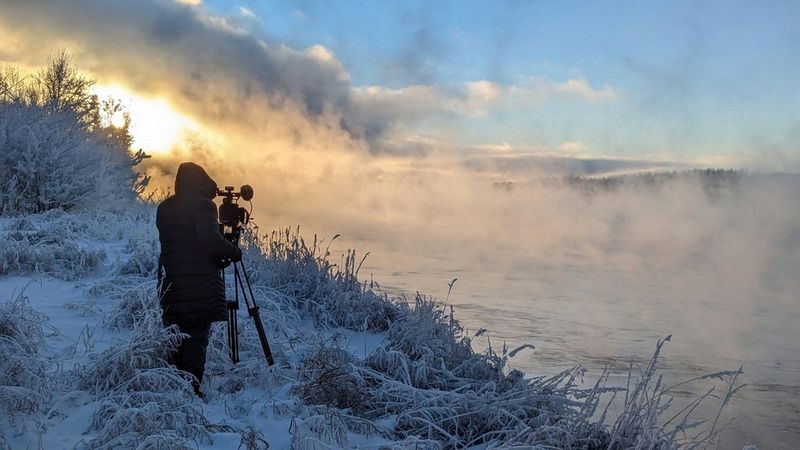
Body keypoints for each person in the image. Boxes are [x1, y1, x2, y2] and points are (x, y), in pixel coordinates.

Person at [156, 162, 241, 398]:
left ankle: (173, 387)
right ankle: (190, 392)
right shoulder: (204, 206)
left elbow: (184, 242)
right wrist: (233, 251)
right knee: (196, 337)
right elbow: (209, 240)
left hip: (171, 283)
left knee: (177, 335)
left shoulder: (165, 207)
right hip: (198, 285)